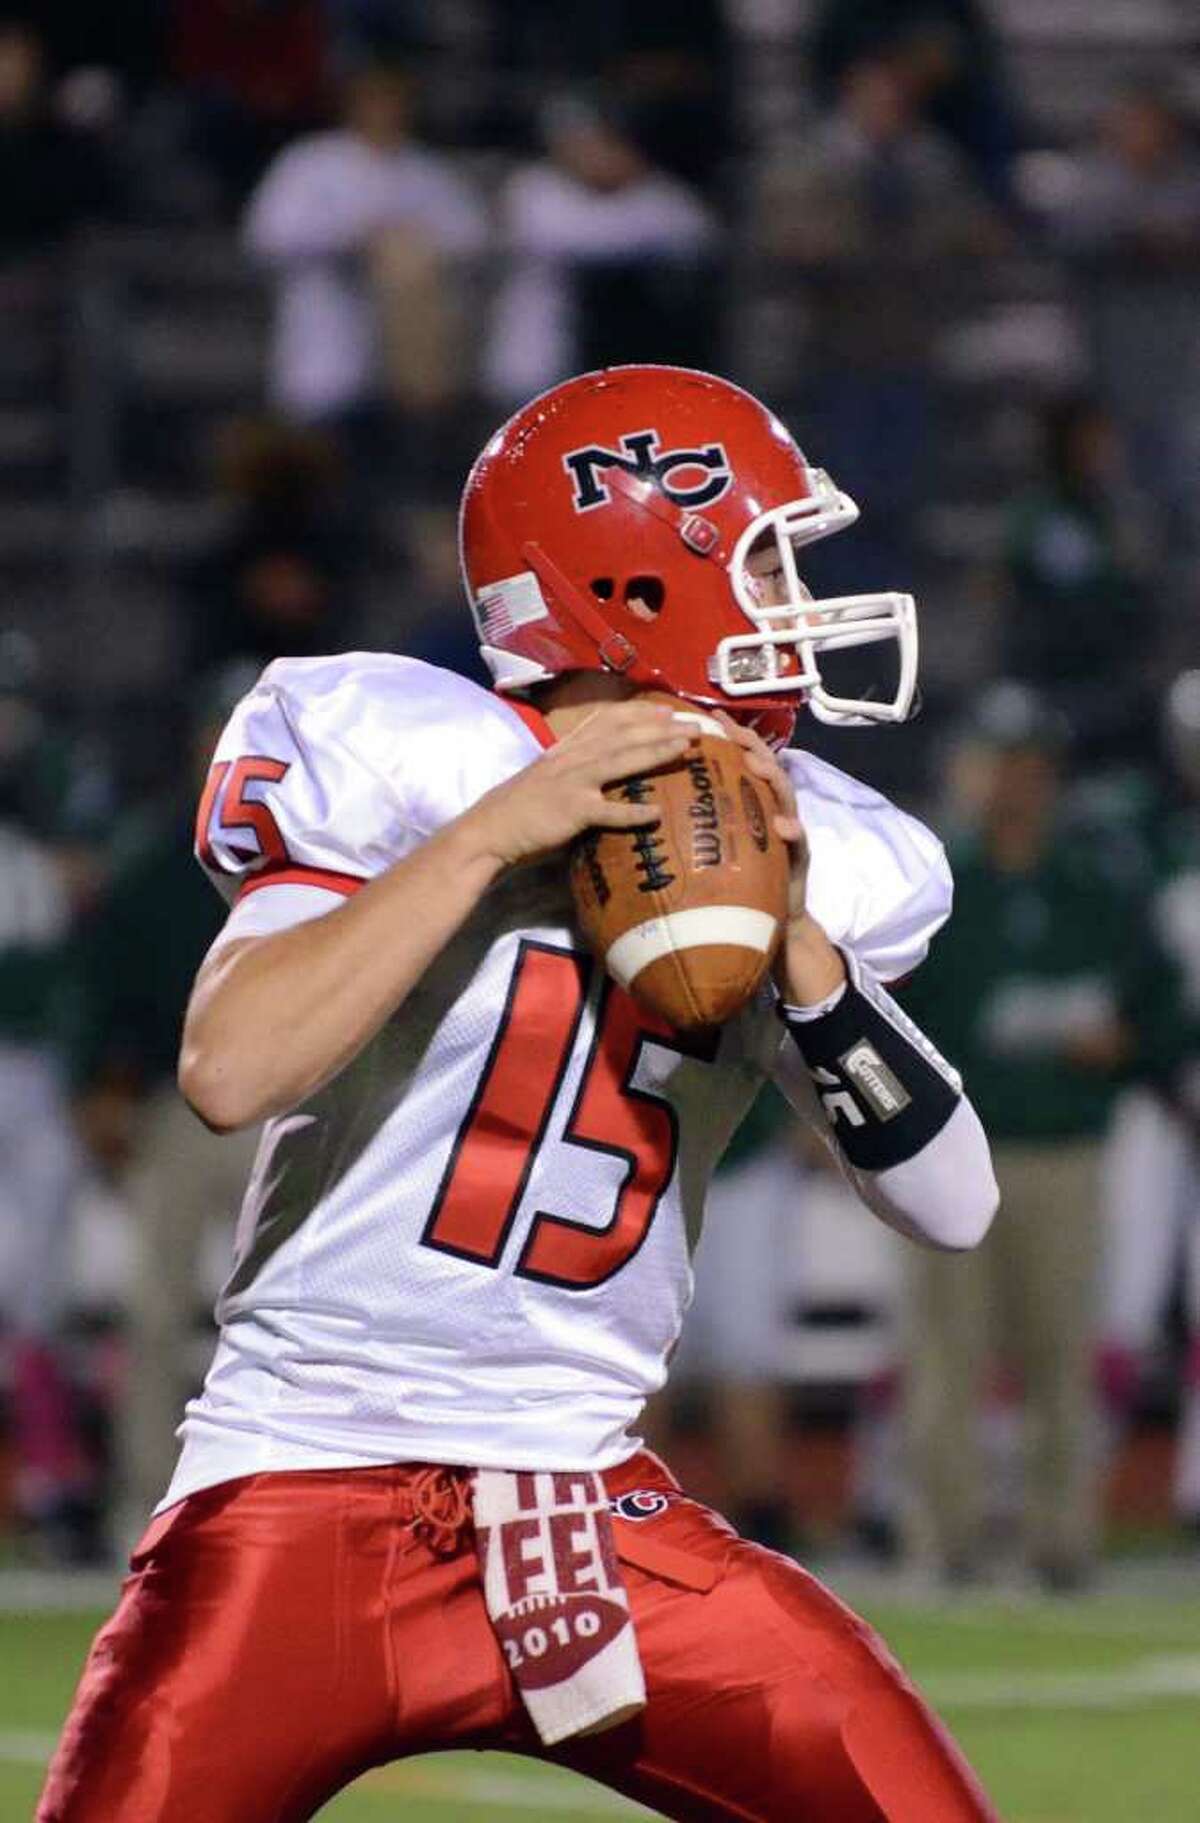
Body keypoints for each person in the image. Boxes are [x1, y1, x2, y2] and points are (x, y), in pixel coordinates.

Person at [40, 365, 999, 1822]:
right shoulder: (408, 757)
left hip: (588, 1498)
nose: (795, 600)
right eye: (762, 560)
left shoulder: (826, 846)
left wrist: (799, 943)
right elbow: (229, 1068)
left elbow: (955, 1203)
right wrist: (495, 837)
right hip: (309, 1481)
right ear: (633, 577)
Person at [900, 682, 1183, 1590]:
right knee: (947, 1356)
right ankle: (946, 1543)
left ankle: (1063, 1541)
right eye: (999, 763)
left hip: (1066, 1150)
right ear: (967, 770)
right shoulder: (932, 887)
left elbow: (1166, 1009)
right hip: (950, 1154)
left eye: (1030, 766)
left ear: (1052, 779)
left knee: (1063, 1356)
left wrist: (1130, 1044)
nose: (1014, 784)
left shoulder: (1097, 886)